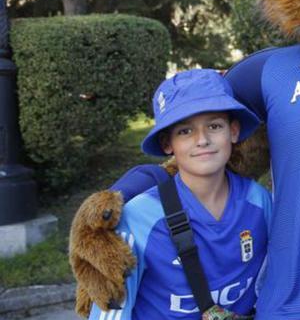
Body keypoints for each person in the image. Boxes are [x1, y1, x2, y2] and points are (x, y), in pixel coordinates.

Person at [89, 69, 272, 320]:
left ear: (234, 131)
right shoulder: (139, 218)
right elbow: (110, 310)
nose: (202, 140)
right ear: (167, 144)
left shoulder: (259, 201)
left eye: (215, 125)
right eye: (185, 131)